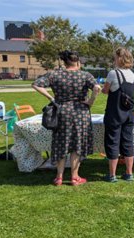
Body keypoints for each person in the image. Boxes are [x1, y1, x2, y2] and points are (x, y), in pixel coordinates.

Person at [32, 50, 100, 186]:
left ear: (64, 62)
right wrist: (91, 101)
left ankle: (59, 177)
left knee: (61, 144)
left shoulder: (55, 74)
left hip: (61, 112)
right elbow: (97, 88)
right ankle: (75, 177)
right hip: (80, 113)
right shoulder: (85, 75)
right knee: (77, 145)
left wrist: (51, 97)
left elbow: (36, 84)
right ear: (78, 62)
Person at [102, 47, 134, 182]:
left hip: (114, 114)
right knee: (128, 143)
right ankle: (129, 173)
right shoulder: (133, 75)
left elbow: (106, 90)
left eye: (115, 57)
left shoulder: (113, 73)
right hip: (128, 114)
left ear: (119, 58)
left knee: (112, 142)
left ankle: (112, 175)